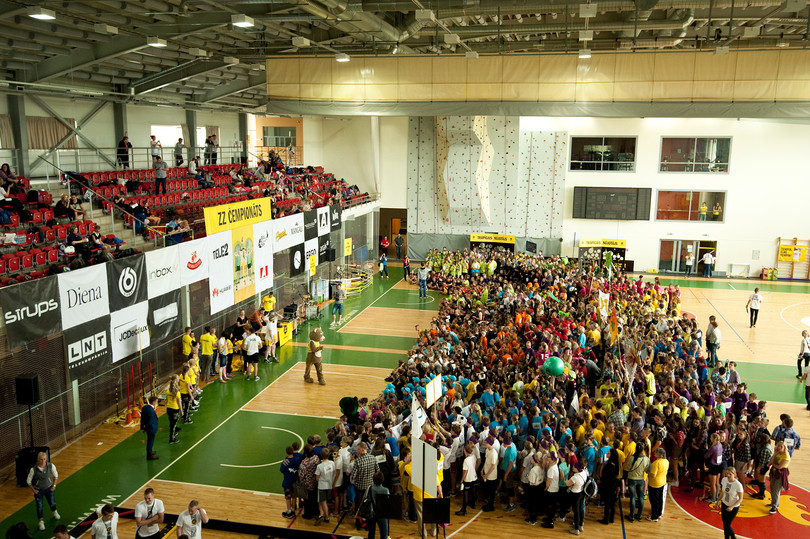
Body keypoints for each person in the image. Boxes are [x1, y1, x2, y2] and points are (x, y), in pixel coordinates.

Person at [27, 451, 59, 530]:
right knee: (40, 506)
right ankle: (41, 521)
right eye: (41, 459)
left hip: (49, 488)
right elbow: (28, 481)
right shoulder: (33, 469)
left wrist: (54, 485)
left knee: (52, 502)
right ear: (38, 459)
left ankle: (55, 512)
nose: (43, 461)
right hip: (39, 491)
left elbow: (56, 475)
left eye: (44, 459)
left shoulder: (51, 466)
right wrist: (33, 490)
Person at [626, 443, 649, 522]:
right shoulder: (646, 459)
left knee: (632, 497)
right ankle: (639, 515)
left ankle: (631, 516)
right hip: (641, 479)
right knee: (641, 497)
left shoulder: (632, 458)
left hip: (632, 479)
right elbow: (647, 469)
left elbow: (628, 467)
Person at [720, 467, 743, 539]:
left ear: (734, 474)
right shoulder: (724, 480)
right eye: (727, 473)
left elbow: (740, 499)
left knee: (727, 524)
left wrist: (732, 506)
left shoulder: (738, 485)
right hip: (724, 504)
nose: (728, 475)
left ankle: (733, 537)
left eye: (730, 474)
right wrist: (718, 501)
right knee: (725, 524)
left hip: (733, 507)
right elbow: (722, 492)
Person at [768, 440, 790, 514]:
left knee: (776, 490)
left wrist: (773, 464)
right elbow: (771, 461)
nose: (779, 447)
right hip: (774, 472)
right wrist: (774, 453)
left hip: (780, 474)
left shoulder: (786, 456)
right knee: (772, 488)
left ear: (784, 448)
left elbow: (780, 467)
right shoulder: (777, 453)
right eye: (778, 446)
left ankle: (775, 506)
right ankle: (773, 503)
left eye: (781, 446)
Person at [647, 447, 669, 522]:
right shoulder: (666, 461)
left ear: (659, 454)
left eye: (656, 452)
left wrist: (648, 472)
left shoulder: (656, 463)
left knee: (654, 500)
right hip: (662, 482)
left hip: (655, 483)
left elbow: (653, 475)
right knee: (660, 499)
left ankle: (654, 516)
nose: (654, 453)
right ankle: (659, 513)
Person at [367, 471, 390, 539]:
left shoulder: (371, 488)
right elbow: (388, 501)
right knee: (383, 533)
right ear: (382, 480)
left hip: (372, 513)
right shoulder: (385, 490)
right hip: (381, 514)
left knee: (371, 532)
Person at [140, 396, 159, 461]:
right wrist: (146, 428)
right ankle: (149, 455)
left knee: (150, 440)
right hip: (151, 428)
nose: (156, 403)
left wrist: (143, 427)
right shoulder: (151, 411)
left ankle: (150, 451)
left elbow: (142, 418)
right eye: (156, 401)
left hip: (148, 427)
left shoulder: (145, 407)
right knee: (150, 441)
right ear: (153, 402)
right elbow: (149, 421)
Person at [165, 375, 182, 444]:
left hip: (169, 408)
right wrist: (182, 411)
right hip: (175, 409)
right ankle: (171, 438)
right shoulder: (177, 393)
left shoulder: (167, 392)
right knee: (173, 424)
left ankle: (173, 433)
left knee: (171, 423)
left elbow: (166, 400)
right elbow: (179, 402)